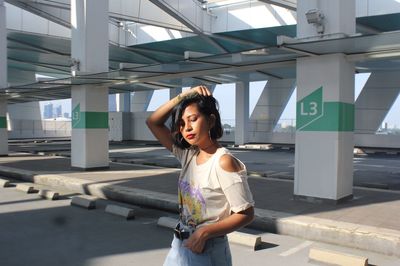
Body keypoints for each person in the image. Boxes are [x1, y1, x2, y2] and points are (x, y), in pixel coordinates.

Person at [146, 85, 255, 266]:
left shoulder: (223, 162)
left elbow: (246, 213)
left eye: (193, 119)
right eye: (181, 123)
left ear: (211, 121)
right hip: (180, 244)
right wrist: (184, 96)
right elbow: (153, 122)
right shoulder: (188, 154)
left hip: (207, 248)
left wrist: (204, 233)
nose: (186, 127)